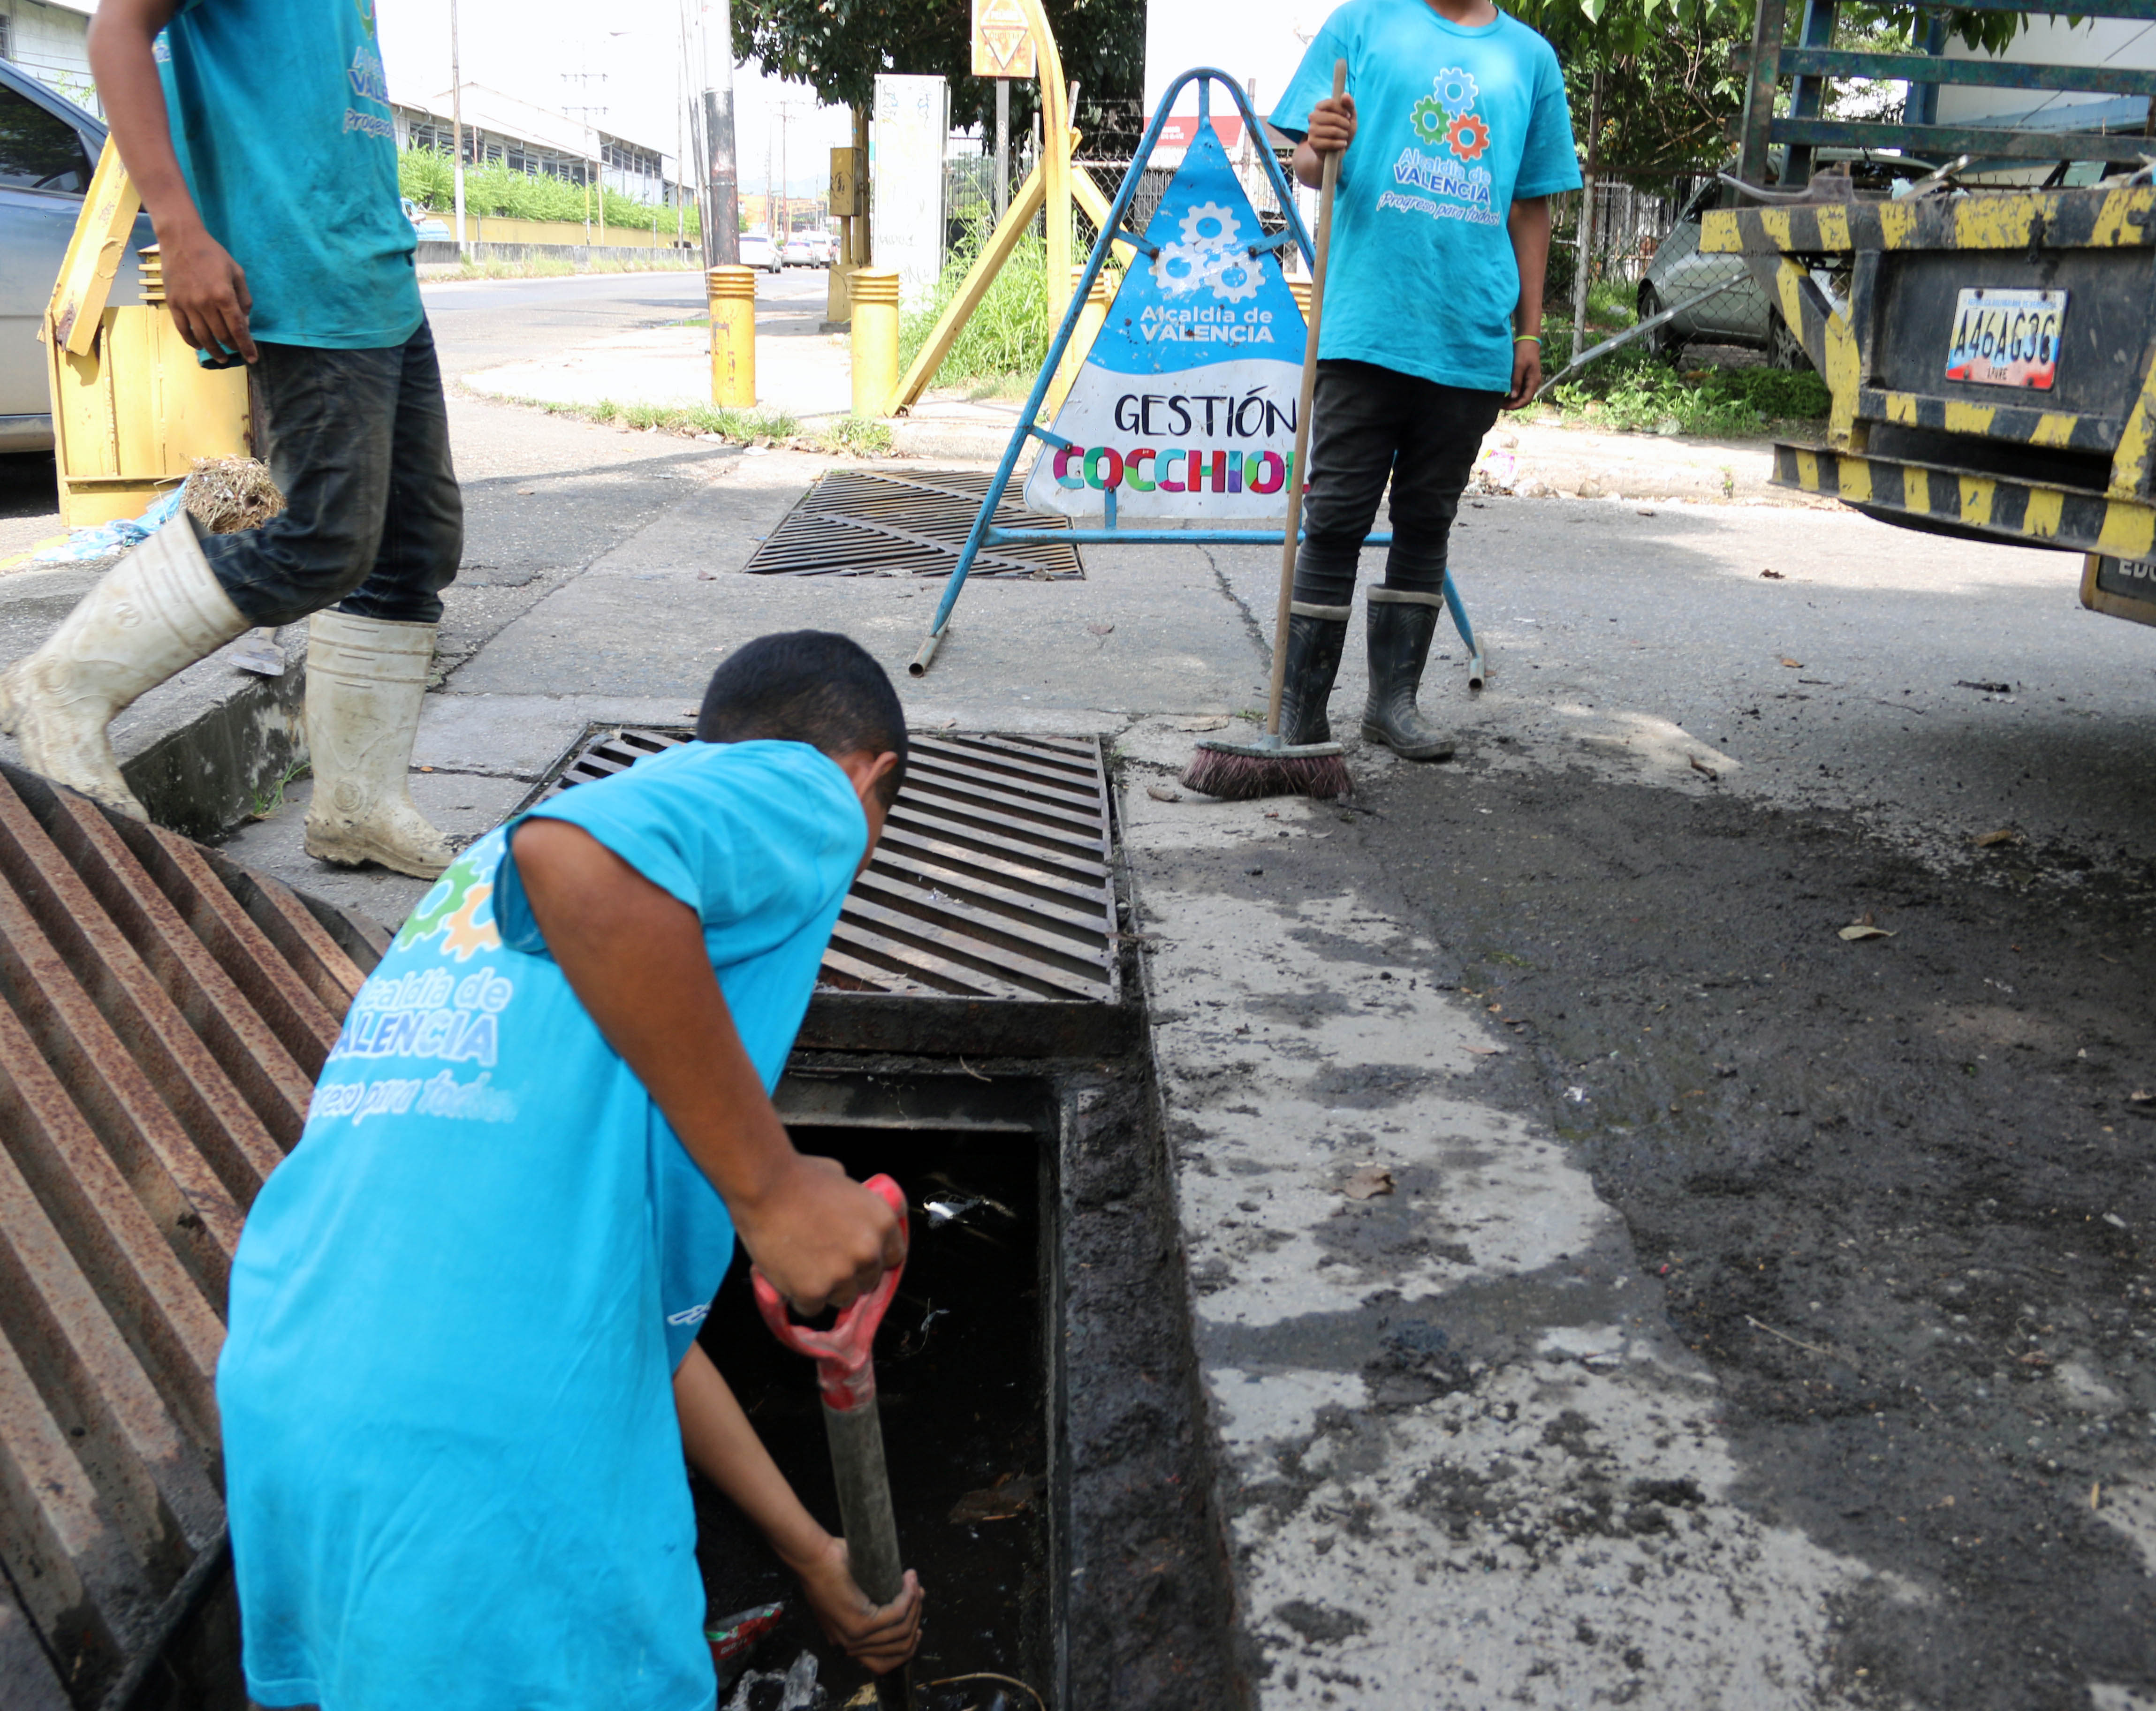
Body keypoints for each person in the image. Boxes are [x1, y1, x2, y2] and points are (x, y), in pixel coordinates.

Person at [218, 632, 924, 1710]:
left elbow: (630, 1327)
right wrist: (772, 1187)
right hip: (485, 1458)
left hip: (301, 1405)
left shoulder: (482, 883)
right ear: (870, 776)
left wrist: (809, 1552)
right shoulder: (809, 787)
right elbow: (580, 857)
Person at [2, 0, 463, 877]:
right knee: (323, 539)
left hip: (377, 274)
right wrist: (179, 230)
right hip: (296, 274)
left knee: (412, 550)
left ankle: (359, 808)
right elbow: (117, 30)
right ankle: (63, 686)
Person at [1272, 0, 1579, 760]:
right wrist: (1318, 144)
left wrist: (1530, 330)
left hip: (1467, 334)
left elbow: (1530, 203)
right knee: (1337, 517)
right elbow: (1311, 165)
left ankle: (1392, 706)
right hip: (1366, 327)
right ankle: (1299, 713)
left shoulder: (1530, 59)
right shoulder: (1363, 27)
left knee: (1426, 521)